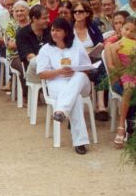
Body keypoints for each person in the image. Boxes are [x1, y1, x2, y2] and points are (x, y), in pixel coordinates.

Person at [36, 17, 93, 155]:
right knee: (76, 99)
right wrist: (59, 71)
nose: (54, 33)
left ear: (66, 32)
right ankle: (80, 142)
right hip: (57, 81)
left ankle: (61, 110)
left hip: (79, 81)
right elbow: (41, 74)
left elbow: (87, 67)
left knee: (80, 76)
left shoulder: (76, 45)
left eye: (58, 30)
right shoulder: (46, 49)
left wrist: (75, 70)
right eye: (52, 30)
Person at [106, 16, 136, 149]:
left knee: (133, 89)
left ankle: (127, 129)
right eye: (126, 29)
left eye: (132, 31)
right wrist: (116, 53)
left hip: (135, 78)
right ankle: (124, 127)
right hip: (119, 80)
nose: (128, 33)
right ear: (121, 29)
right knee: (129, 89)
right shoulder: (110, 45)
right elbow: (113, 69)